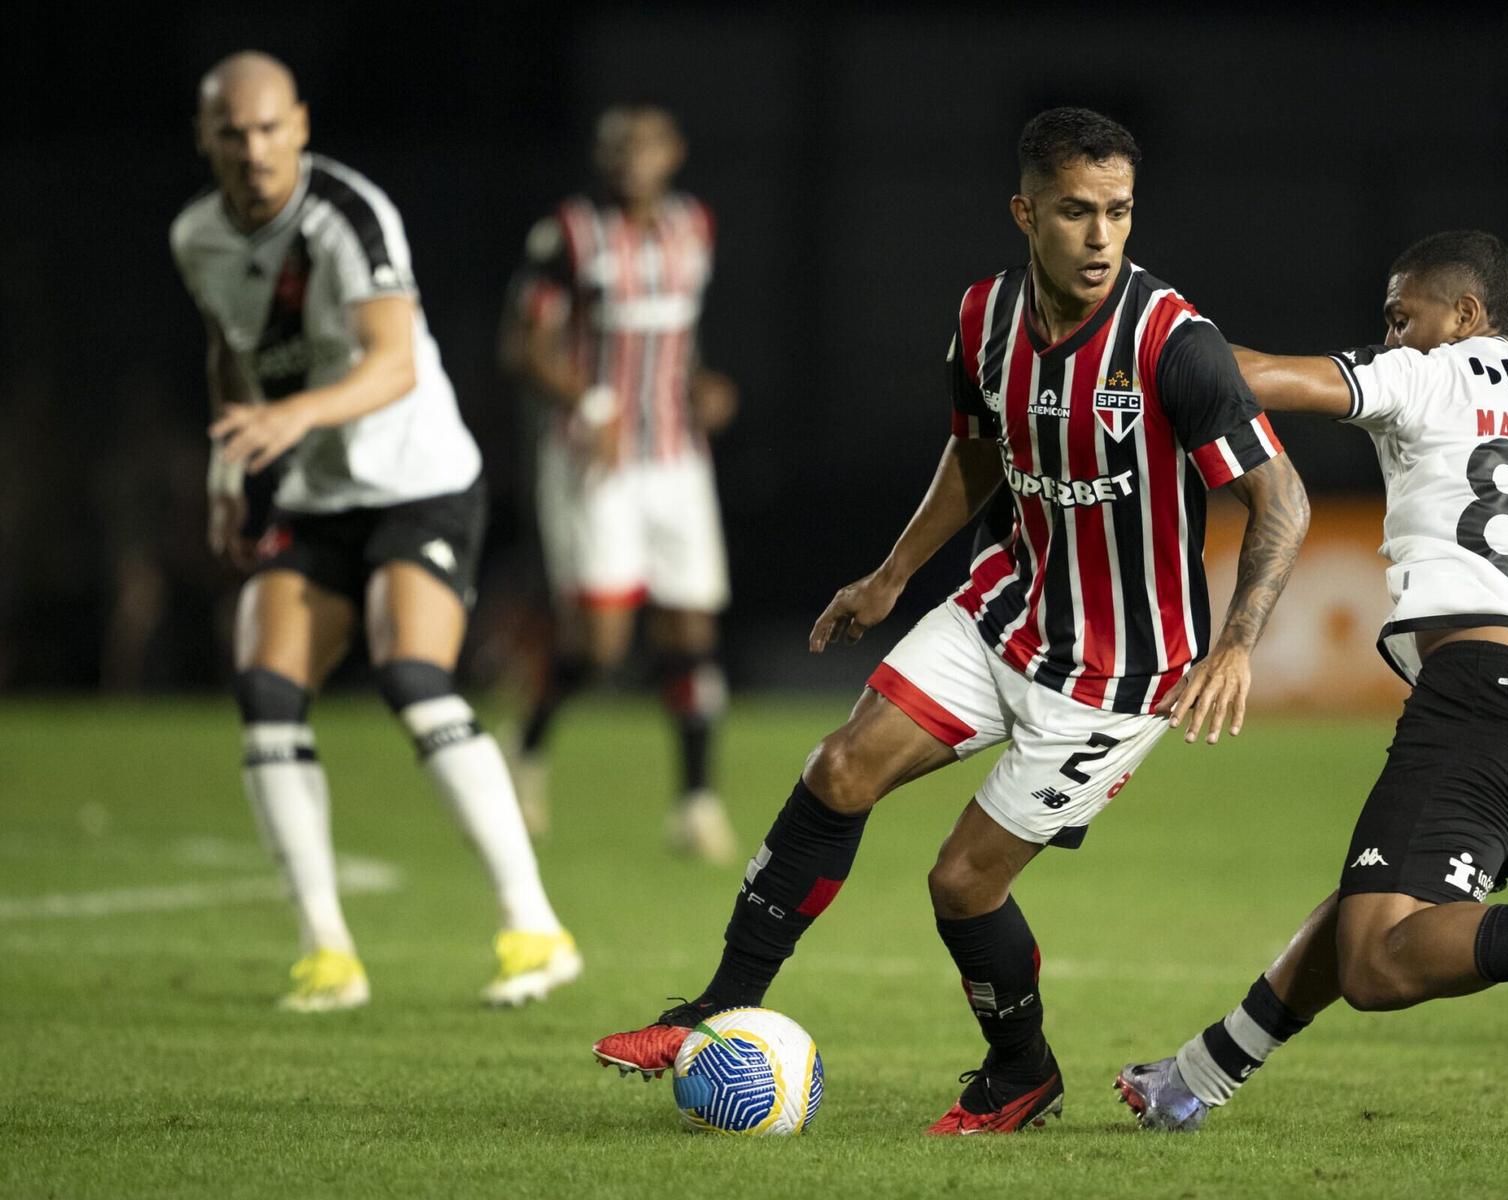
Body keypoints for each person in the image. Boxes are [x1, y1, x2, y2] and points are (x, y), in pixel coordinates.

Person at [591, 107, 1311, 1134]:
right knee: (838, 770)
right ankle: (716, 1007)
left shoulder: (1173, 345)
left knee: (961, 884)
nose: (1102, 236)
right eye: (1075, 212)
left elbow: (1279, 500)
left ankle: (1021, 1072)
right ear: (1025, 213)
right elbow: (978, 454)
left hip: (1118, 674)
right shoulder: (982, 317)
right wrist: (891, 576)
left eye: (1118, 212)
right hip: (1002, 611)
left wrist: (1236, 641)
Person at [1115, 203, 1508, 1131]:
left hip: (1487, 707)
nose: (1389, 334)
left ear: (1463, 312)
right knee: (1386, 893)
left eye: (1399, 315)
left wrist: (1128, 328)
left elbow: (1251, 376)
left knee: (1380, 959)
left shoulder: (1429, 375)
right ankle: (1198, 1077)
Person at [171, 51, 579, 1012]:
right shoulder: (197, 237)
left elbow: (393, 364)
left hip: (419, 481)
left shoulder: (347, 214)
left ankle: (534, 928)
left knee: (411, 674)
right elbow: (230, 353)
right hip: (315, 496)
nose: (253, 148)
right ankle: (327, 954)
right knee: (265, 690)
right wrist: (233, 468)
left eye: (270, 128)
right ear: (207, 140)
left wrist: (290, 421)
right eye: (232, 132)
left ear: (300, 126)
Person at [501, 105, 738, 857]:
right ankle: (527, 741)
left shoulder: (693, 226)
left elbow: (678, 337)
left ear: (675, 152)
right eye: (618, 146)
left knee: (690, 628)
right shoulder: (567, 233)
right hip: (592, 459)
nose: (632, 158)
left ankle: (696, 805)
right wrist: (589, 400)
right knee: (602, 647)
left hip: (674, 456)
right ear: (601, 156)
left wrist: (705, 387)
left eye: (647, 144)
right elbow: (524, 345)